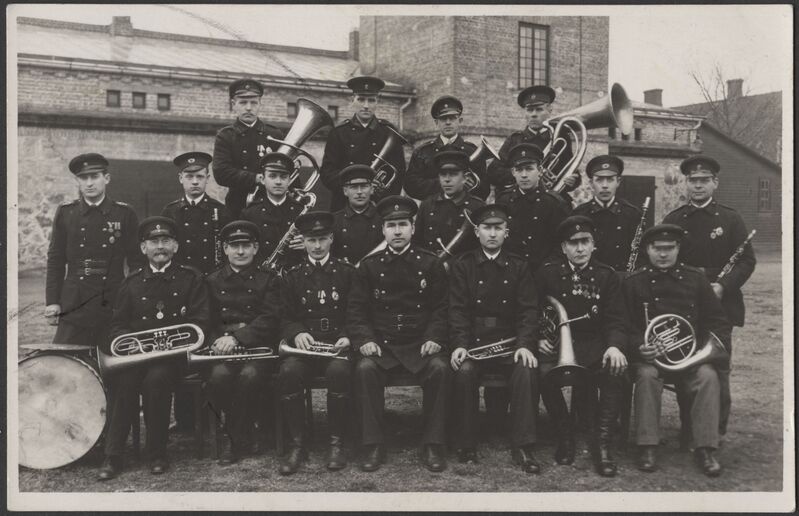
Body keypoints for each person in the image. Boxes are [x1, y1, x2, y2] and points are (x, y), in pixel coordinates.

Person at [98, 217, 210, 480]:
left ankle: (157, 453)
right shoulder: (132, 282)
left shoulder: (191, 278)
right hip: (139, 356)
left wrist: (174, 344)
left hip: (174, 357)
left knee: (157, 379)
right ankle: (113, 455)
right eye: (154, 242)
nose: (160, 246)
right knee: (125, 380)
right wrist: (130, 344)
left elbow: (201, 321)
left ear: (176, 246)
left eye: (166, 241)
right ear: (143, 248)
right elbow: (118, 324)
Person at [347, 195, 452, 473]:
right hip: (383, 344)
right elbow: (356, 310)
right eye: (391, 225)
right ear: (382, 229)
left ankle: (433, 443)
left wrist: (434, 337)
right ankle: (373, 443)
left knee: (440, 368)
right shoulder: (369, 266)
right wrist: (366, 340)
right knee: (365, 369)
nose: (397, 231)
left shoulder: (430, 263)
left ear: (413, 228)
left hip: (420, 343)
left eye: (403, 224)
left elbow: (442, 308)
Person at [623, 224, 731, 477]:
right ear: (647, 249)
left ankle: (705, 447)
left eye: (669, 248)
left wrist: (701, 350)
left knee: (708, 376)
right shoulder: (633, 282)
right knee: (646, 376)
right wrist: (639, 346)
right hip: (651, 359)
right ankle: (647, 445)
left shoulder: (696, 279)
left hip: (690, 357)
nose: (663, 254)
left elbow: (718, 322)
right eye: (657, 249)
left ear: (678, 248)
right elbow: (622, 325)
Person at [662, 156, 756, 436]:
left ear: (715, 183)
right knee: (684, 367)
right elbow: (664, 261)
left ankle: (716, 431)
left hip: (721, 306)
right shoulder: (674, 219)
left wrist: (722, 286)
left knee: (718, 368)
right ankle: (688, 428)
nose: (698, 185)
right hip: (683, 306)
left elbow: (746, 261)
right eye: (693, 180)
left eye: (704, 180)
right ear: (686, 183)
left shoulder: (730, 219)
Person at [448, 204, 541, 472]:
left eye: (497, 228)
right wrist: (460, 345)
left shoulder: (519, 266)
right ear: (477, 232)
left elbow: (528, 311)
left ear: (506, 232)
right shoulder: (462, 265)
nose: (492, 233)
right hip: (474, 343)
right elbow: (457, 310)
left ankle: (524, 445)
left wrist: (525, 345)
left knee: (526, 369)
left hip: (509, 344)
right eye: (487, 228)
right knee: (463, 371)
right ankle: (466, 444)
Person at [534, 215, 628, 477]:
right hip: (557, 345)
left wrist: (615, 346)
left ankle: (602, 442)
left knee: (615, 370)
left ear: (593, 244)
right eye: (573, 243)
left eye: (585, 241)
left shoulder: (606, 275)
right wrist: (538, 336)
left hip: (594, 345)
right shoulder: (547, 273)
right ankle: (565, 435)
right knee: (542, 373)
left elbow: (617, 319)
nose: (580, 248)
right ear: (563, 247)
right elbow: (531, 309)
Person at [277, 211, 355, 474]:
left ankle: (336, 443)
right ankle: (297, 444)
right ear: (303, 241)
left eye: (322, 239)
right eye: (311, 240)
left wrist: (347, 334)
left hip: (337, 346)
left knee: (339, 372)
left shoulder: (347, 272)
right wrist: (297, 332)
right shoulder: (292, 276)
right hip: (304, 349)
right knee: (289, 372)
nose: (318, 246)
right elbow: (284, 315)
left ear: (331, 238)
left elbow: (357, 310)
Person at [162, 151, 231, 433]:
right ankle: (185, 418)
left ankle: (212, 416)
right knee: (183, 347)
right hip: (181, 290)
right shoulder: (170, 212)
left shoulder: (220, 211)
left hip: (212, 289)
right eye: (189, 177)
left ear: (207, 179)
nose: (194, 182)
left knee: (209, 347)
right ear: (180, 178)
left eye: (200, 177)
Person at [203, 220, 280, 465]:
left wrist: (238, 337)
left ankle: (234, 438)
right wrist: (217, 341)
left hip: (257, 348)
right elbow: (205, 320)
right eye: (234, 246)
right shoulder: (212, 280)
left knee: (249, 376)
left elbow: (270, 318)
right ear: (225, 249)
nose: (240, 251)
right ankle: (246, 431)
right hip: (222, 350)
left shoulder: (269, 279)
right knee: (219, 377)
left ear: (255, 248)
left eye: (246, 246)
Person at [45, 153, 141, 348]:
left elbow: (137, 261)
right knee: (65, 357)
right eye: (83, 178)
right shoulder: (66, 212)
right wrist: (52, 301)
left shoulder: (124, 213)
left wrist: (133, 298)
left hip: (112, 301)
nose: (89, 183)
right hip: (74, 303)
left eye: (95, 177)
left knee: (115, 358)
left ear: (107, 178)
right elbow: (56, 259)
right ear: (77, 181)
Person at [320, 76, 406, 211]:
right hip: (344, 206)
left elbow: (399, 173)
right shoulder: (338, 133)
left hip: (379, 205)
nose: (366, 106)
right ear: (352, 100)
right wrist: (351, 185)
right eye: (361, 99)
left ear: (377, 101)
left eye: (371, 100)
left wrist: (382, 190)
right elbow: (327, 173)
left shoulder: (388, 132)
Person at [487, 85, 579, 197]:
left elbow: (573, 172)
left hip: (551, 200)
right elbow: (493, 173)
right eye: (529, 110)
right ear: (525, 112)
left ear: (549, 110)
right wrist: (524, 174)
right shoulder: (514, 139)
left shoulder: (561, 139)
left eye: (539, 109)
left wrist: (572, 181)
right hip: (519, 200)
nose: (533, 114)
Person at [213, 78, 284, 218]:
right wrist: (256, 178)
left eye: (254, 102)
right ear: (233, 104)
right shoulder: (226, 136)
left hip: (273, 207)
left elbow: (288, 171)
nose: (249, 108)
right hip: (239, 207)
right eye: (243, 102)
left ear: (260, 104)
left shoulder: (275, 135)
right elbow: (221, 173)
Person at [496, 143, 571, 271]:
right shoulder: (503, 201)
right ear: (513, 172)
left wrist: (548, 269)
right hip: (509, 272)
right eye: (519, 170)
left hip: (544, 273)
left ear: (540, 171)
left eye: (529, 169)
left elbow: (563, 244)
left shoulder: (554, 203)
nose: (524, 175)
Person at [405, 95, 490, 201]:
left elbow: (485, 190)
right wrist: (446, 183)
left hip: (465, 208)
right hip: (433, 208)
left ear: (460, 121)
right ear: (436, 123)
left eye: (452, 118)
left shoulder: (472, 151)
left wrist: (474, 186)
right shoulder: (422, 152)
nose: (448, 122)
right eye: (443, 119)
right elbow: (411, 186)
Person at [573, 155, 645, 272]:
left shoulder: (632, 214)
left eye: (610, 179)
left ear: (618, 182)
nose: (605, 186)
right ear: (591, 183)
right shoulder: (579, 215)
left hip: (622, 279)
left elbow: (641, 254)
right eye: (599, 180)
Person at [240, 153, 307, 273]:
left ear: (290, 180)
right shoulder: (249, 213)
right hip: (260, 276)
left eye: (283, 177)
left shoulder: (301, 211)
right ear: (263, 179)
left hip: (295, 275)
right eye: (272, 176)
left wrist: (307, 245)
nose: (278, 182)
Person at [412, 150, 485, 259]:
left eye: (453, 174)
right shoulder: (427, 204)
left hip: (463, 267)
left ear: (465, 178)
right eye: (443, 174)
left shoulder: (477, 206)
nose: (447, 180)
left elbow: (482, 249)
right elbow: (417, 242)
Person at [331, 164, 384, 265]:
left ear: (372, 189)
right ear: (345, 191)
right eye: (354, 187)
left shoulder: (383, 219)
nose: (359, 192)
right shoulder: (334, 221)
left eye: (364, 186)